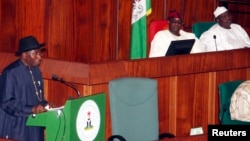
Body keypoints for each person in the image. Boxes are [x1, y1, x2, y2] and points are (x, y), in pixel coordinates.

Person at [0, 35, 53, 141]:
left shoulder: (36, 71)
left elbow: (38, 98)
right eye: (35, 53)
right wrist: (32, 109)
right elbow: (6, 103)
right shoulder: (10, 73)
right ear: (24, 55)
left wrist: (46, 105)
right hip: (17, 128)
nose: (39, 56)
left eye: (39, 52)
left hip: (35, 126)